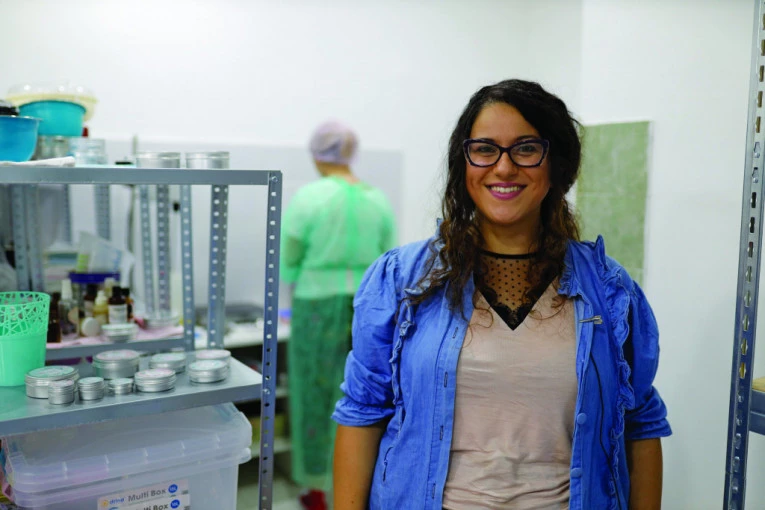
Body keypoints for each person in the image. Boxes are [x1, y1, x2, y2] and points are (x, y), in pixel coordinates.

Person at [332, 79, 671, 510]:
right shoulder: (403, 279)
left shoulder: (608, 289)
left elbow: (640, 422)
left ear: (556, 165)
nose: (504, 167)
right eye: (485, 149)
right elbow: (362, 412)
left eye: (526, 149)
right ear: (464, 163)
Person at [281, 121, 397, 510]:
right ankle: (358, 488)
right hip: (370, 306)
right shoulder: (377, 200)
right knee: (366, 397)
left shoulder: (309, 198)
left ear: (317, 155)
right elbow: (388, 256)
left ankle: (316, 487)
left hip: (316, 304)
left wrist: (292, 283)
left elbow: (289, 254)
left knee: (314, 394)